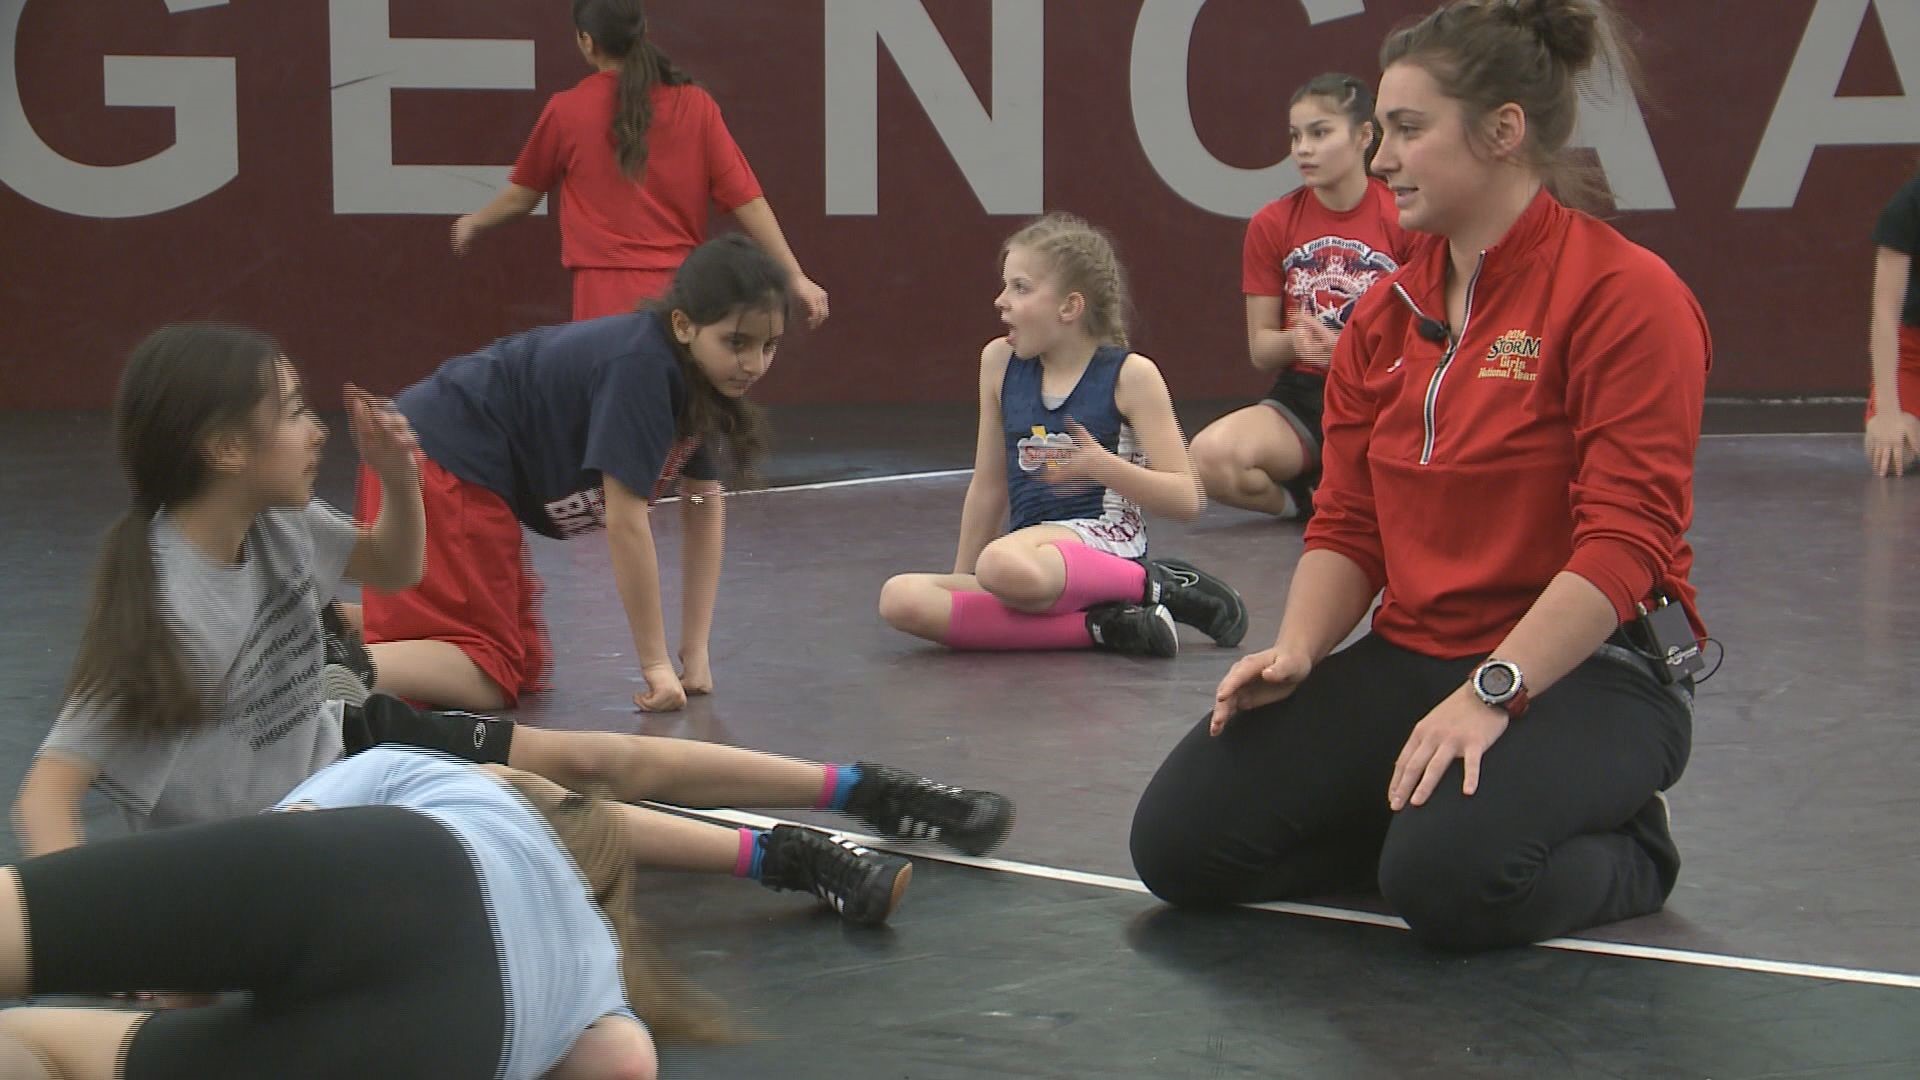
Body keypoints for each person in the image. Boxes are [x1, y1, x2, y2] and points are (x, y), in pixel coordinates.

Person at [13, 321, 1014, 936]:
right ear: (226, 447)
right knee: (532, 802)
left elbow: (397, 569)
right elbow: (47, 797)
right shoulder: (164, 613)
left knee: (590, 757)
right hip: (302, 840)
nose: (315, 427)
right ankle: (786, 856)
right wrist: (96, 935)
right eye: (290, 412)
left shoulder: (277, 528)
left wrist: (400, 480)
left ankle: (864, 789)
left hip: (351, 750)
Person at [1129, 0, 1710, 951]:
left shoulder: (1626, 296)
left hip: (1591, 672)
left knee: (1450, 886)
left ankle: (1634, 845)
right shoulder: (1384, 316)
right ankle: (1423, 833)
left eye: (1406, 129)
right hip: (1417, 653)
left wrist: (1493, 691)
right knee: (1182, 850)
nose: (1382, 156)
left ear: (1503, 132)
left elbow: (1627, 541)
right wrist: (1301, 651)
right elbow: (1348, 521)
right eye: (1381, 132)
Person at [0, 748, 684, 1080]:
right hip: (457, 1041)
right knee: (49, 1049)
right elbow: (625, 1064)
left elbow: (294, 837)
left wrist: (184, 972)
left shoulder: (480, 793)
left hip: (406, 869)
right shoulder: (596, 973)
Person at [359, 233, 780, 713]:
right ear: (683, 326)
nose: (754, 364)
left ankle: (319, 630)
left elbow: (702, 503)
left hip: (456, 470)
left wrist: (695, 649)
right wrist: (656, 665)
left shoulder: (699, 381)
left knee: (523, 664)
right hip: (441, 465)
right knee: (488, 671)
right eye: (737, 342)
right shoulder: (641, 368)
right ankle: (326, 670)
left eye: (770, 346)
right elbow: (626, 522)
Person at [878, 213, 1247, 658]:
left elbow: (1187, 499)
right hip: (1029, 560)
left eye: (1020, 287)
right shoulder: (999, 362)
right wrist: (968, 582)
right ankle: (1106, 626)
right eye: (1005, 285)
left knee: (999, 561)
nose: (1001, 301)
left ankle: (1156, 583)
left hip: (1103, 549)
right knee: (900, 598)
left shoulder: (1130, 375)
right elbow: (989, 484)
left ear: (1070, 308)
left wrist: (1101, 466)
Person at [453, 0, 829, 327]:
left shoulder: (566, 111)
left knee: (611, 405)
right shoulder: (695, 106)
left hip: (600, 304)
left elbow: (522, 197)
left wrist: (474, 222)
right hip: (679, 300)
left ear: (586, 40)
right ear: (643, 30)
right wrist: (794, 275)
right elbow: (747, 199)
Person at [1188, 73, 1412, 520]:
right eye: (1295, 136)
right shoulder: (1273, 223)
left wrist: (1350, 351)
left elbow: (1435, 340)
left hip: (1386, 395)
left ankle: (1351, 490)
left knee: (1420, 489)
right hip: (1306, 396)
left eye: (1320, 133)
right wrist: (1298, 343)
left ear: (1364, 136)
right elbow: (1262, 349)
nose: (1302, 149)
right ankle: (1307, 506)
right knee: (1208, 460)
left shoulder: (1404, 217)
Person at [1864, 167, 1920, 476]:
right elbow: (1885, 313)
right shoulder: (1908, 206)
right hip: (1913, 351)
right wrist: (1888, 413)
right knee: (1896, 452)